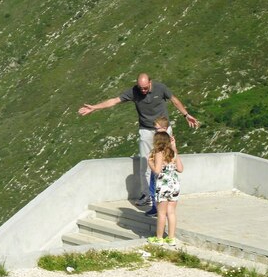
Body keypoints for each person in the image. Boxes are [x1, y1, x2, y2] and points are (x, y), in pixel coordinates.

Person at [78, 73, 198, 205]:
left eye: (146, 88)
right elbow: (114, 101)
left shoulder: (160, 88)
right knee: (145, 163)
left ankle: (168, 192)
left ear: (150, 82)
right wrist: (95, 107)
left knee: (168, 159)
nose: (143, 91)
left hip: (163, 130)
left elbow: (174, 100)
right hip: (146, 130)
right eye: (141, 88)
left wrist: (186, 115)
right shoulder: (134, 91)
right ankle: (147, 196)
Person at [147, 131, 183, 245]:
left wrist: (150, 163)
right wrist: (175, 147)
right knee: (171, 212)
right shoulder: (173, 153)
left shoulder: (159, 153)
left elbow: (157, 171)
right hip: (174, 185)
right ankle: (171, 238)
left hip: (163, 185)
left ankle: (159, 238)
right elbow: (181, 169)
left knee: (161, 213)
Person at [145, 116, 172, 217]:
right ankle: (159, 208)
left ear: (164, 128)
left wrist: (150, 162)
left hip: (159, 170)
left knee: (154, 188)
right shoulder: (169, 141)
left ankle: (157, 209)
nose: (155, 131)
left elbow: (157, 169)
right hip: (167, 173)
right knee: (155, 188)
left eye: (157, 128)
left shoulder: (162, 140)